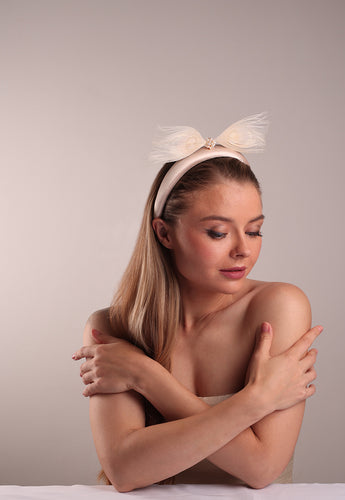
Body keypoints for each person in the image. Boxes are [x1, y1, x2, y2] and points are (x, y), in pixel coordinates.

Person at [73, 114, 322, 492]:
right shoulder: (112, 328)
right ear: (165, 233)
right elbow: (125, 471)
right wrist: (257, 400)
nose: (243, 249)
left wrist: (147, 376)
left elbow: (261, 468)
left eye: (254, 230)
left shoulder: (278, 306)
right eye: (218, 232)